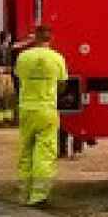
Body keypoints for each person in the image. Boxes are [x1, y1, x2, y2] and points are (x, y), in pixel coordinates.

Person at [13, 25, 68, 207]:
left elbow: (18, 78)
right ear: (50, 38)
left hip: (26, 109)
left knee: (26, 150)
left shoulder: (23, 57)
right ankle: (39, 195)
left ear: (34, 37)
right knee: (44, 152)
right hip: (47, 110)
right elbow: (62, 85)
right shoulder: (57, 58)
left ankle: (24, 193)